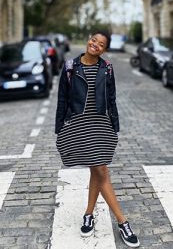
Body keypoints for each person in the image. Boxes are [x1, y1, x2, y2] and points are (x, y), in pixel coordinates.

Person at [55, 31, 140, 248]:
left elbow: (111, 98)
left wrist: (115, 126)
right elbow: (62, 99)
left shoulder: (107, 68)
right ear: (88, 40)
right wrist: (60, 129)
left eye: (101, 44)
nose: (96, 45)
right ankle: (122, 221)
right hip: (80, 124)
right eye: (94, 40)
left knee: (98, 169)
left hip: (100, 124)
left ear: (104, 49)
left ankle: (91, 215)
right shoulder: (70, 67)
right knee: (100, 170)